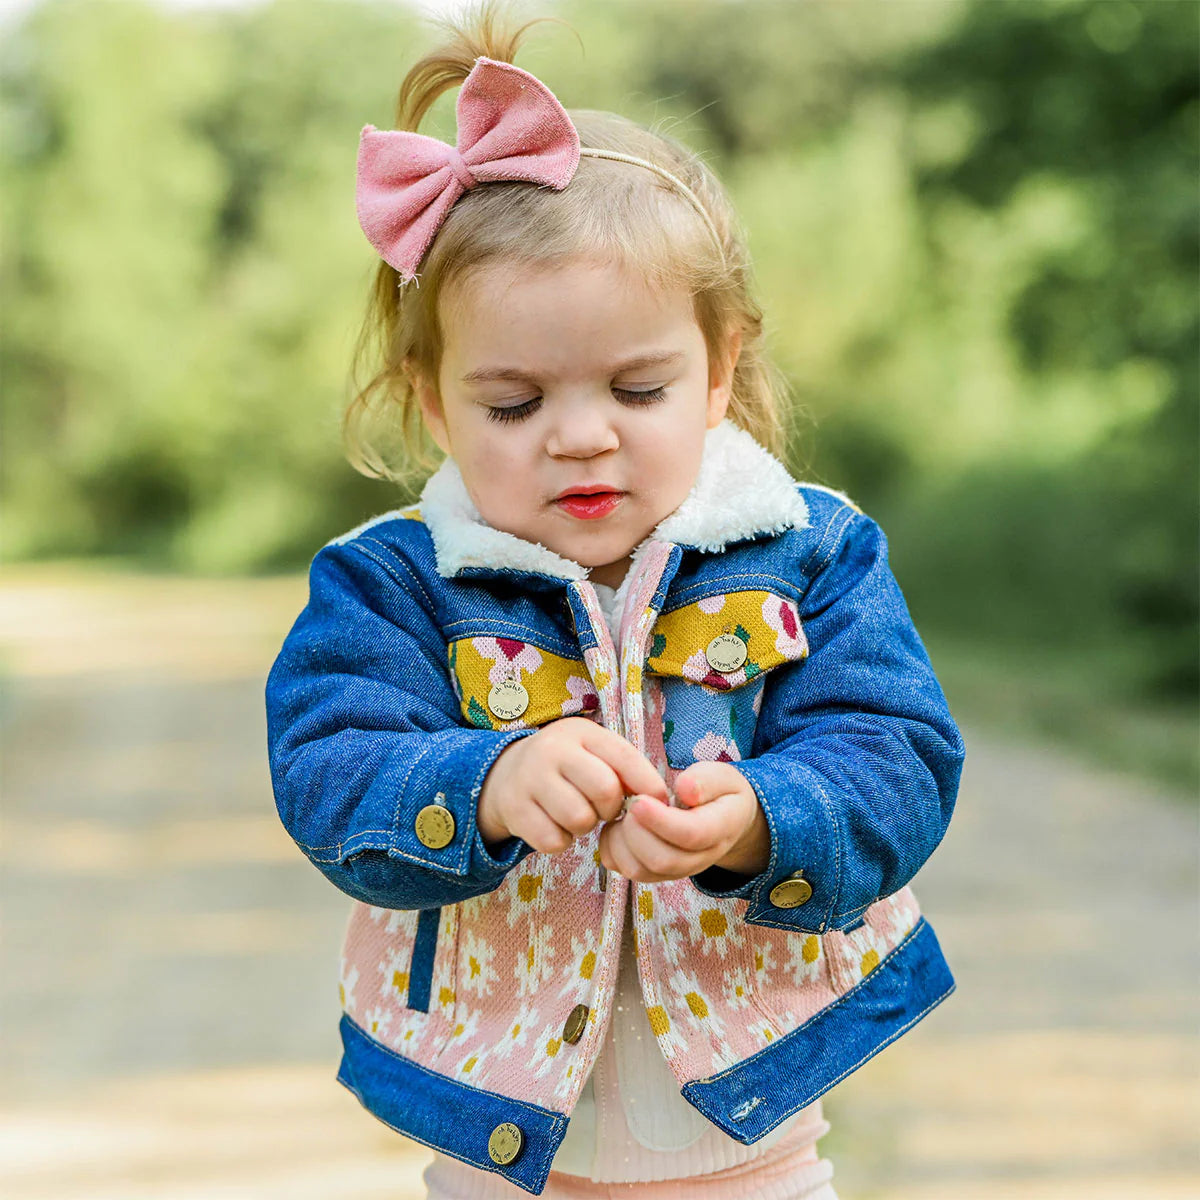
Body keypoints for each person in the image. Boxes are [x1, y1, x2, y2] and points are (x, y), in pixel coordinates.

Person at [265, 9, 965, 1199]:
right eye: (511, 404)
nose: (580, 436)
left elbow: (897, 756)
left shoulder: (811, 550)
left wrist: (761, 818)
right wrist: (481, 783)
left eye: (638, 388)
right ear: (431, 402)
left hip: (756, 1124)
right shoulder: (394, 584)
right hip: (494, 1125)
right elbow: (331, 769)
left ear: (719, 370)